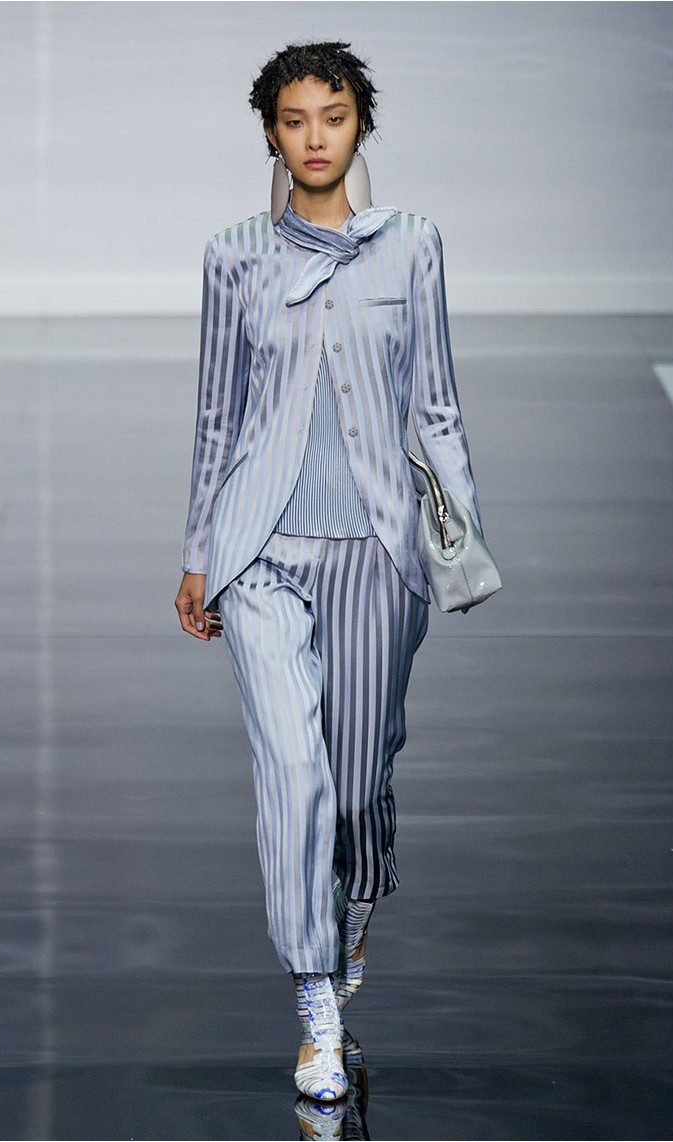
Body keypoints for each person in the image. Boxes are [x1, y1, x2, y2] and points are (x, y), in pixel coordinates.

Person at [175, 40, 482, 1102]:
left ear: (361, 126)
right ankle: (314, 1000)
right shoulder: (232, 256)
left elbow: (435, 404)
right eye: (295, 119)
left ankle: (350, 915)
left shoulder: (414, 246)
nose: (315, 137)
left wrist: (459, 546)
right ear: (270, 132)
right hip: (260, 552)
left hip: (378, 553)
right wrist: (198, 554)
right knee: (293, 777)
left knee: (355, 785)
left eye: (333, 116)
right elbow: (216, 417)